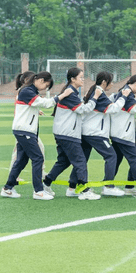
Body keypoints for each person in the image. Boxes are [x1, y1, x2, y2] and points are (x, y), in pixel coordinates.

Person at [2, 72, 72, 200]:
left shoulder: (29, 90)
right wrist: (62, 95)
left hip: (24, 130)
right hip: (24, 130)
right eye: (46, 84)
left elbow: (33, 105)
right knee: (38, 158)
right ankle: (38, 191)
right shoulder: (27, 91)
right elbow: (47, 103)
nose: (46, 88)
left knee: (21, 160)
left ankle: (8, 188)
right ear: (40, 80)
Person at [42, 67, 103, 200]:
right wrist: (95, 97)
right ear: (72, 79)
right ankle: (84, 189)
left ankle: (46, 183)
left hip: (63, 133)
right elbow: (83, 110)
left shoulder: (71, 92)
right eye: (81, 77)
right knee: (80, 160)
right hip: (67, 133)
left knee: (64, 161)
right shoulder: (70, 93)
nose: (83, 79)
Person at [78, 72, 131, 197]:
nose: (112, 84)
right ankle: (108, 186)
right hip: (95, 133)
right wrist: (123, 97)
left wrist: (118, 96)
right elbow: (112, 109)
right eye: (111, 81)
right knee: (111, 156)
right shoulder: (98, 92)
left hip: (88, 131)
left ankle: (73, 186)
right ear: (104, 82)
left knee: (82, 160)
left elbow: (107, 103)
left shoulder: (96, 91)